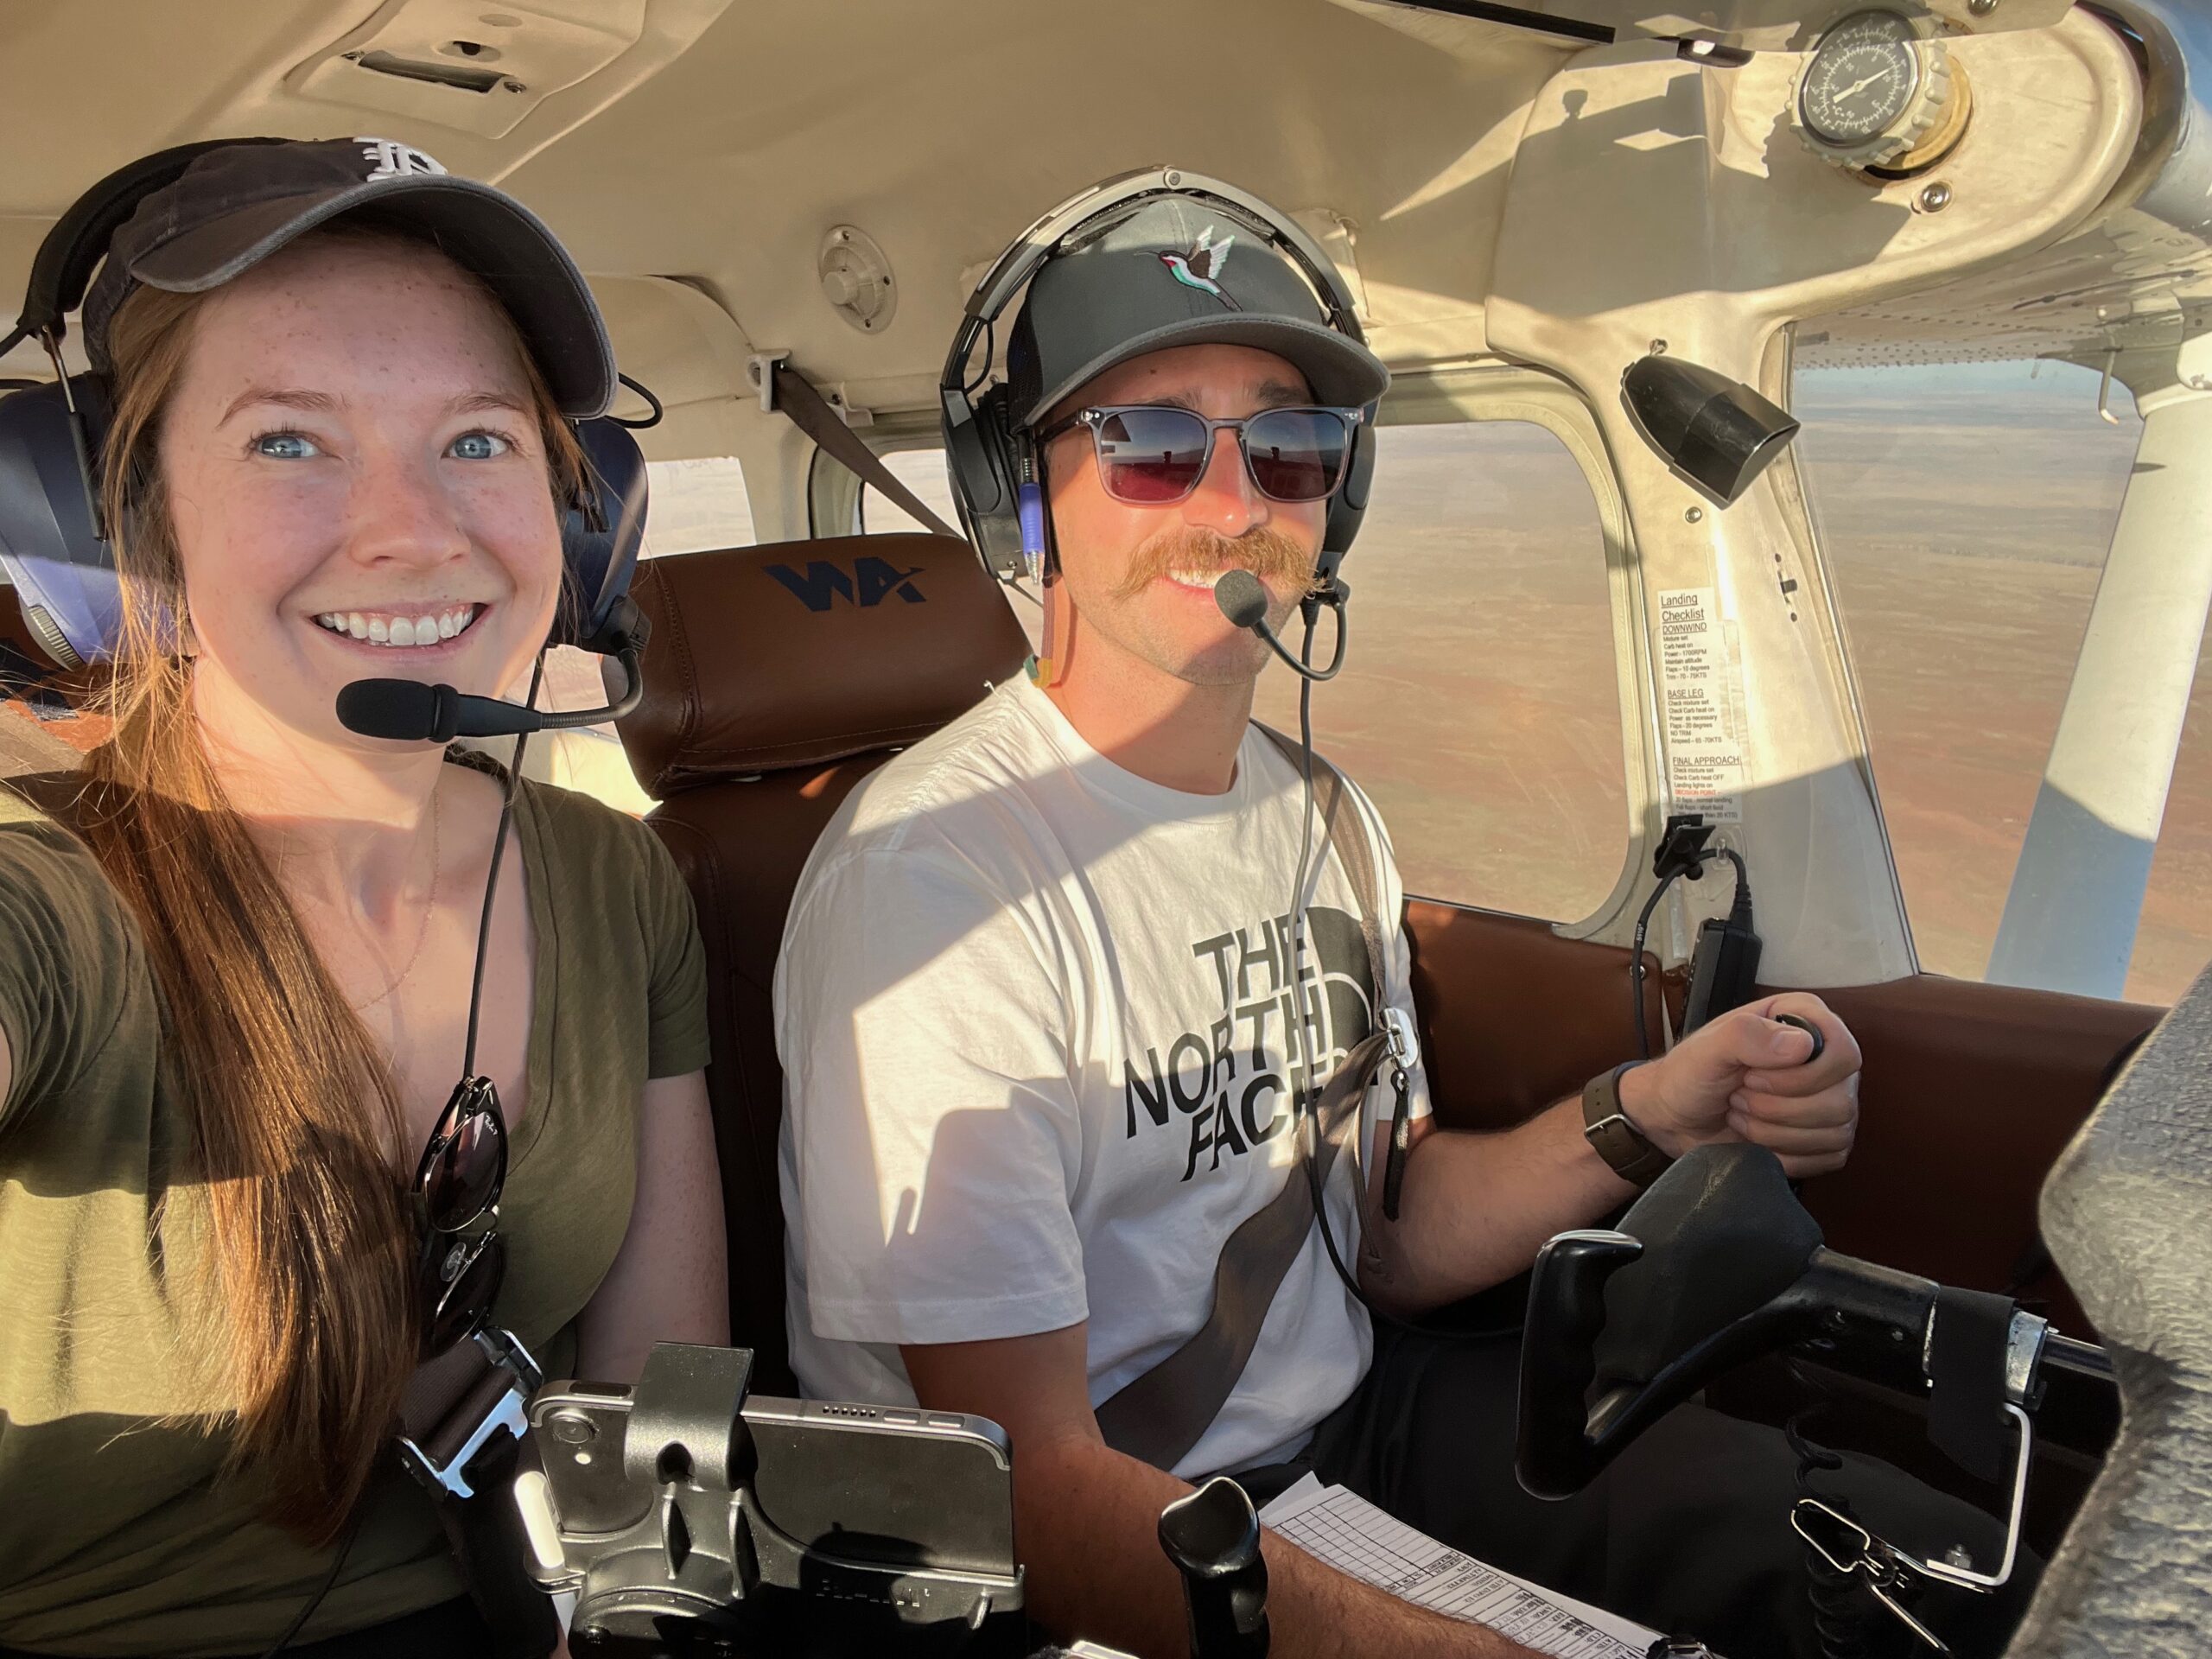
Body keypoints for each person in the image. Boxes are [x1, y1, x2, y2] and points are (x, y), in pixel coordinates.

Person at [776, 187, 2025, 1659]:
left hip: (1351, 1437)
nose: (1235, 502)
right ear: (1023, 490)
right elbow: (1024, 1497)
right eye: (1151, 443)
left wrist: (1658, 1109)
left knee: (1871, 1561)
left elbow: (1388, 1241)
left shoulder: (1321, 814)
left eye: (1293, 446)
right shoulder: (939, 882)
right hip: (1090, 1535)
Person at [0, 139, 727, 1656]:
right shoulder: (48, 894)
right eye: (289, 443)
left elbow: (664, 1432)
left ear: (582, 522)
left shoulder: (610, 879)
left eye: (476, 441)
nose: (413, 529)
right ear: (129, 517)